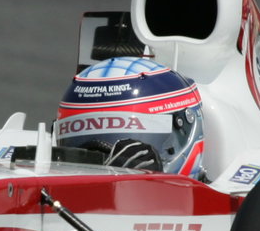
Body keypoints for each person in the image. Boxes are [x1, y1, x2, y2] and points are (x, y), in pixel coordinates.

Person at [54, 57, 205, 177]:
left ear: (183, 133)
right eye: (85, 151)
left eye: (130, 152)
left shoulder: (224, 210)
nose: (104, 168)